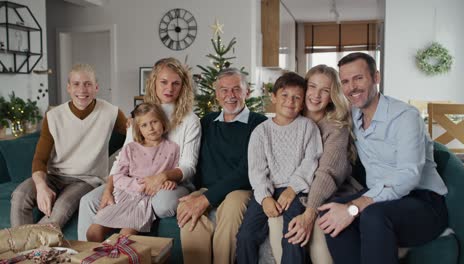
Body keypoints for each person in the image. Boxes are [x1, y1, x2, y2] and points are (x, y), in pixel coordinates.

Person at [318, 52, 448, 264]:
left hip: (423, 202)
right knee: (330, 211)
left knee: (372, 215)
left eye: (359, 78)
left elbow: (408, 176)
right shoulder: (353, 114)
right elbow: (320, 112)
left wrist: (354, 207)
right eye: (346, 82)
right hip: (380, 197)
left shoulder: (406, 116)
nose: (352, 87)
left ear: (376, 77)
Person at [78, 57, 201, 241]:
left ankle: (132, 223)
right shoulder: (141, 114)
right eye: (164, 82)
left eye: (176, 83)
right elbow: (124, 157)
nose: (169, 88)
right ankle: (85, 255)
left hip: (173, 182)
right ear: (154, 82)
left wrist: (163, 177)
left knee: (162, 204)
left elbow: (188, 165)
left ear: (183, 86)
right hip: (134, 180)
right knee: (88, 200)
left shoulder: (190, 120)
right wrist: (108, 189)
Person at [10, 63, 127, 228]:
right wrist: (41, 186)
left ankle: (32, 248)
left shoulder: (112, 113)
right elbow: (40, 159)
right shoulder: (53, 116)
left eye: (88, 84)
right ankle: (21, 251)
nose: (82, 89)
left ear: (96, 87)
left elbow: (135, 136)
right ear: (69, 88)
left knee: (61, 208)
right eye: (76, 84)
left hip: (86, 180)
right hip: (54, 176)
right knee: (20, 195)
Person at [268, 65, 362, 264]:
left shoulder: (335, 128)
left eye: (325, 90)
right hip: (294, 191)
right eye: (312, 87)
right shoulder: (292, 121)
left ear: (332, 96)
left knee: (319, 229)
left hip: (330, 191)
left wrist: (310, 213)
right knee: (275, 221)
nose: (316, 95)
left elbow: (326, 173)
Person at [176, 68, 267, 264]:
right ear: (216, 94)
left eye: (236, 89)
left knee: (233, 205)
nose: (230, 96)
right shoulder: (207, 122)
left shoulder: (260, 124)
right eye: (224, 90)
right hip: (206, 188)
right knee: (186, 209)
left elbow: (247, 171)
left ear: (247, 92)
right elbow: (179, 138)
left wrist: (206, 199)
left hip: (241, 190)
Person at [236, 72, 323, 264]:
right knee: (246, 236)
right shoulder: (261, 132)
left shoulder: (308, 127)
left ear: (302, 103)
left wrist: (293, 189)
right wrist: (265, 198)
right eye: (284, 95)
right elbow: (257, 170)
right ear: (273, 97)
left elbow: (311, 161)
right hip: (267, 189)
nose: (290, 102)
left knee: (292, 234)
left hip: (296, 189)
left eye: (296, 97)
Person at [87, 103, 180, 241]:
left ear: (162, 122)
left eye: (154, 122)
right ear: (138, 129)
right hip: (124, 196)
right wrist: (140, 185)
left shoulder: (173, 149)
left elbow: (176, 173)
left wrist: (170, 182)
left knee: (124, 238)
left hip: (144, 201)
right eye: (144, 125)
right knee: (93, 232)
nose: (151, 128)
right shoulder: (130, 148)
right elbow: (118, 177)